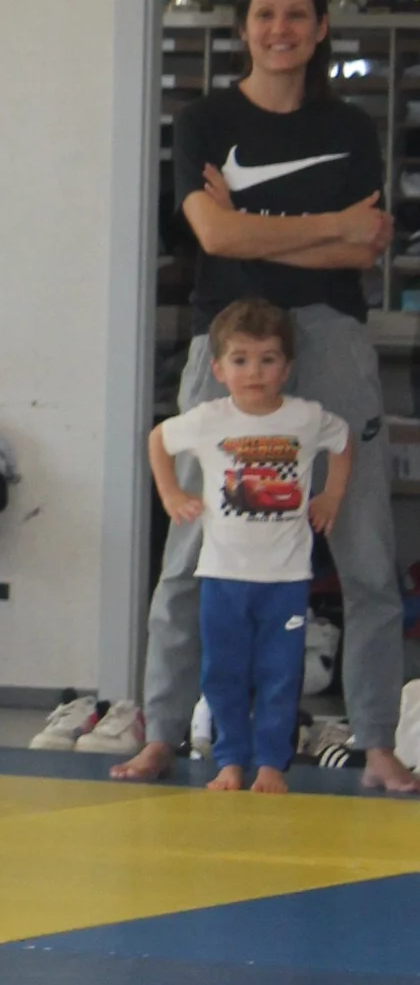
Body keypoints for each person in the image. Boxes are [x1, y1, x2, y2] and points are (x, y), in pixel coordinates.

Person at [114, 0, 417, 795]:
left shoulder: (350, 126)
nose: (279, 29)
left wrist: (256, 227)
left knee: (365, 551)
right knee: (190, 550)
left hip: (331, 340)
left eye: (296, 15)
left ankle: (378, 740)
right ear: (243, 28)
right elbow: (215, 240)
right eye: (264, 14)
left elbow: (363, 248)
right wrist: (321, 226)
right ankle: (162, 732)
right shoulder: (205, 120)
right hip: (230, 342)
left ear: (321, 30)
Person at [147, 298, 349, 796]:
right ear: (218, 369)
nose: (254, 372)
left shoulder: (306, 418)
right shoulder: (208, 419)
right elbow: (158, 439)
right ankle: (231, 759)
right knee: (224, 673)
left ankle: (272, 764)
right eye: (240, 360)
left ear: (287, 367)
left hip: (286, 579)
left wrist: (331, 495)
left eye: (267, 359)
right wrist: (171, 494)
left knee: (280, 674)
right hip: (222, 575)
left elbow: (344, 442)